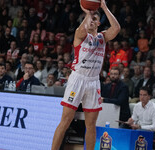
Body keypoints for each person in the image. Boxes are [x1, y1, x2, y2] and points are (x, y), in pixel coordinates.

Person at [51, 0, 121, 149]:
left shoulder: (102, 37)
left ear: (98, 24)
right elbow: (83, 28)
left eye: (94, 20)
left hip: (93, 82)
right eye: (89, 19)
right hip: (77, 79)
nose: (90, 21)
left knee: (91, 125)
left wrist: (104, 7)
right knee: (65, 121)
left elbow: (116, 28)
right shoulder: (80, 35)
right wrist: (88, 13)